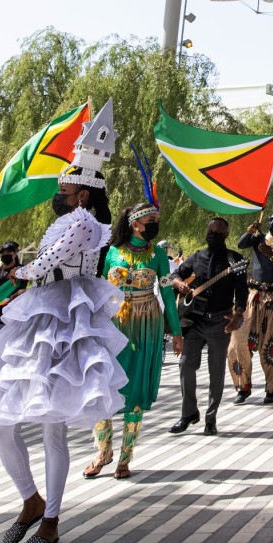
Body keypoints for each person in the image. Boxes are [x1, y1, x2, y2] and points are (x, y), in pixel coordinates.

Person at [0, 114, 128, 543]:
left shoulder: (83, 222)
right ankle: (30, 499)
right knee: (4, 423)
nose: (59, 195)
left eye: (65, 188)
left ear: (83, 192)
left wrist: (22, 270)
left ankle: (51, 517)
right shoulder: (68, 218)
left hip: (66, 320)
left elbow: (50, 259)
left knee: (52, 427)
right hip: (40, 319)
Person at [84, 204, 178, 479]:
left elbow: (168, 294)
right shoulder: (110, 252)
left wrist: (177, 331)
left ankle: (125, 457)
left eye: (157, 220)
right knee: (103, 385)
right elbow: (94, 289)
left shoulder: (159, 254)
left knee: (134, 388)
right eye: (151, 220)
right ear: (135, 223)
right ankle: (103, 452)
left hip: (146, 327)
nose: (155, 224)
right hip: (111, 325)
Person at [169, 217, 249, 436]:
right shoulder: (196, 257)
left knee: (216, 371)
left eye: (218, 233)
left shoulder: (235, 260)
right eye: (210, 232)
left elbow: (242, 292)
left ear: (225, 236)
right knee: (185, 364)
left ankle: (210, 418)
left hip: (220, 321)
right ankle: (188, 414)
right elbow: (175, 275)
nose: (213, 236)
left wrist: (239, 314)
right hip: (194, 321)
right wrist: (178, 283)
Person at [234, 211, 273, 400]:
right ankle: (243, 387)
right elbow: (241, 244)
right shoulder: (258, 237)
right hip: (253, 294)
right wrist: (250, 231)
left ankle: (271, 389)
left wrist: (272, 256)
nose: (272, 221)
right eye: (270, 218)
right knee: (240, 342)